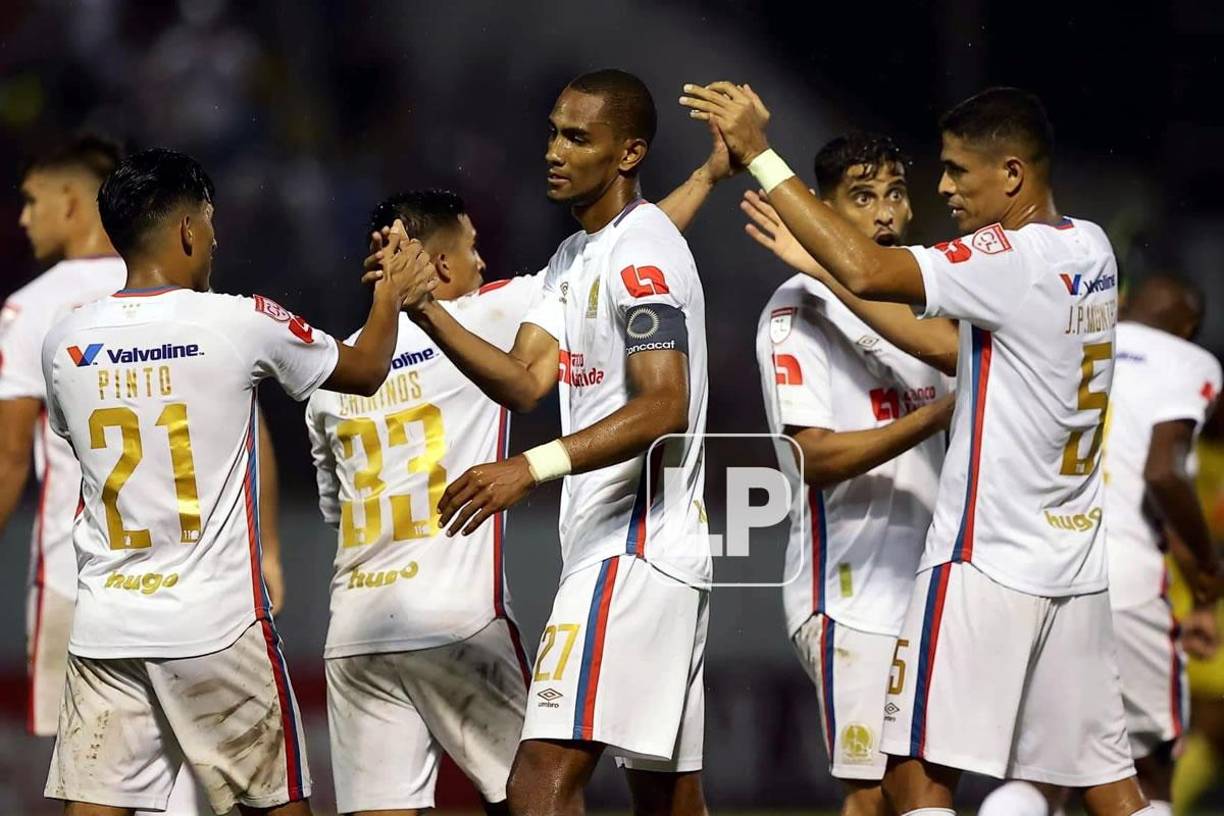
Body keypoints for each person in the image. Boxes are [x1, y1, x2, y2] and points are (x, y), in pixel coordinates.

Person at [680, 83, 1153, 814]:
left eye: (957, 171)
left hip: (983, 559)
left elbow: (874, 277)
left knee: (916, 783)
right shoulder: (1088, 245)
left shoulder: (997, 263)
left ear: (1012, 177)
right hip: (1052, 561)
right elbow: (919, 352)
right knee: (1105, 786)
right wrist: (822, 271)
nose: (938, 191)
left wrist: (760, 156)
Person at [39, 148, 434, 816]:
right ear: (188, 230)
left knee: (93, 808)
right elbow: (367, 370)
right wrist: (390, 289)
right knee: (279, 806)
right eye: (211, 222)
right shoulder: (236, 321)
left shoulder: (64, 339)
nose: (216, 239)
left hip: (108, 624)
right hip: (216, 626)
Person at [389, 69, 711, 816]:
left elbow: (666, 402)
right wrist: (427, 310)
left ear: (628, 153)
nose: (552, 151)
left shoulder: (642, 252)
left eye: (577, 137)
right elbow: (528, 380)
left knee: (539, 783)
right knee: (668, 801)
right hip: (643, 553)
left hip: (634, 549)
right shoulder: (576, 257)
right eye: (552, 132)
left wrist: (530, 467)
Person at [752, 134, 952, 815]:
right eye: (862, 197)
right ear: (823, 212)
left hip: (929, 590)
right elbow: (813, 458)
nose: (884, 212)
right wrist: (934, 417)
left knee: (913, 794)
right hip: (851, 594)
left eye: (894, 193)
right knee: (880, 795)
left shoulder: (929, 302)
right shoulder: (796, 310)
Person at [981, 275, 1222, 816]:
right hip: (1128, 578)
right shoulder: (1187, 360)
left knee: (1044, 770)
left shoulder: (1072, 349)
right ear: (1189, 330)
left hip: (1039, 571)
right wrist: (1208, 572)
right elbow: (1162, 475)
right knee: (1146, 772)